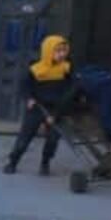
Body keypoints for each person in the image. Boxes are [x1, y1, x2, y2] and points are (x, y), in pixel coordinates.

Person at [6, 34, 76, 175]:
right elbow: (25, 86)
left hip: (56, 109)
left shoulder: (66, 69)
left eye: (64, 50)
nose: (62, 54)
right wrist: (29, 98)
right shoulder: (35, 69)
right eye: (58, 51)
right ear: (48, 51)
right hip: (37, 108)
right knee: (25, 138)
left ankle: (45, 163)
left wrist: (55, 114)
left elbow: (70, 92)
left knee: (52, 139)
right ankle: (13, 161)